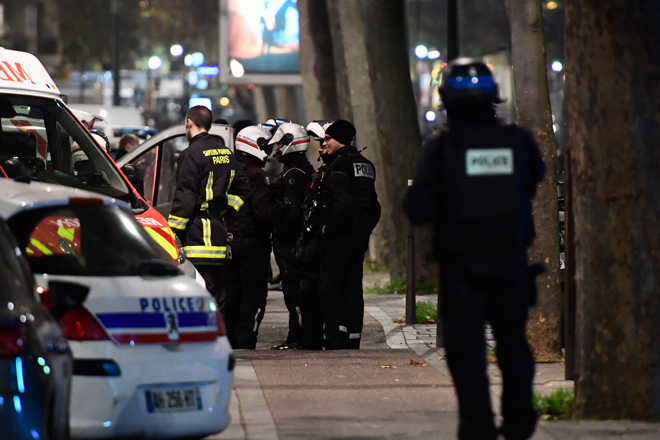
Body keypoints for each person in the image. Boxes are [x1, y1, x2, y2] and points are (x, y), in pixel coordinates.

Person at [404, 58, 546, 440]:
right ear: (492, 98)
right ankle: (518, 421)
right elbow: (532, 183)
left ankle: (477, 425)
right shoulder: (519, 142)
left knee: (467, 353)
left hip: (461, 268)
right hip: (510, 263)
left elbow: (417, 209)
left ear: (446, 99)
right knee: (513, 345)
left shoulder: (441, 149)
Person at [168, 106, 250, 307]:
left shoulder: (190, 154)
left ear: (189, 122)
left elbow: (185, 198)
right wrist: (225, 209)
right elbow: (243, 190)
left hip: (197, 238)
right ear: (210, 124)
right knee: (219, 298)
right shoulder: (226, 153)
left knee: (198, 296)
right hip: (219, 236)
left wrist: (171, 232)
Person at [316, 120, 380, 350]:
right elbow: (374, 207)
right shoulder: (366, 165)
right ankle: (353, 337)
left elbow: (342, 202)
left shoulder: (340, 164)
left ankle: (335, 338)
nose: (325, 143)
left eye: (328, 139)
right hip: (359, 237)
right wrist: (365, 229)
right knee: (353, 288)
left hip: (339, 237)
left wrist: (328, 228)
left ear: (339, 139)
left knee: (331, 289)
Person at [223, 125, 287, 349]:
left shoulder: (227, 169)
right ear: (254, 145)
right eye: (265, 146)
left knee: (230, 293)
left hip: (227, 240)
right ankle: (245, 339)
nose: (268, 152)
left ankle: (229, 339)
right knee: (253, 295)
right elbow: (264, 213)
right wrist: (282, 208)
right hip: (252, 243)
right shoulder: (257, 175)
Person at [268, 123, 315, 350]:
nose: (275, 148)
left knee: (293, 292)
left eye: (278, 143)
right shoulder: (299, 170)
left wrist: (281, 236)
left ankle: (298, 337)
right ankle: (299, 336)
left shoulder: (294, 174)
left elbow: (291, 211)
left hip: (291, 243)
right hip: (295, 242)